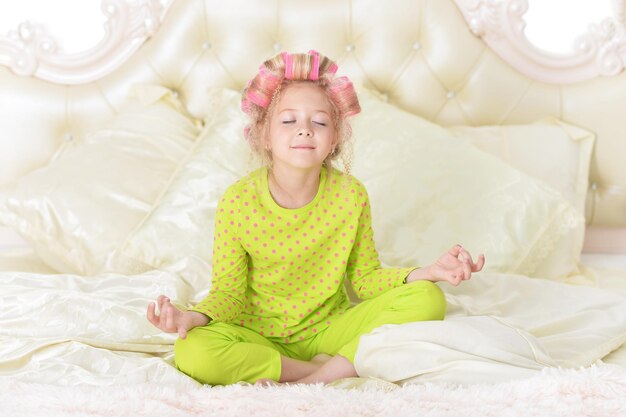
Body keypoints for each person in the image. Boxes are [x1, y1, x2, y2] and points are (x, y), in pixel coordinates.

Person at [147, 50, 485, 386]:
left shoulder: (350, 195)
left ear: (335, 138)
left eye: (319, 122)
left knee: (427, 298)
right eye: (288, 120)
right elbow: (229, 293)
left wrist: (428, 273)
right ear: (264, 134)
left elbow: (365, 279)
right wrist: (190, 317)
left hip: (329, 331)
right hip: (258, 335)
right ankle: (319, 373)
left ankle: (319, 370)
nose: (305, 130)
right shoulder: (238, 201)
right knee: (193, 351)